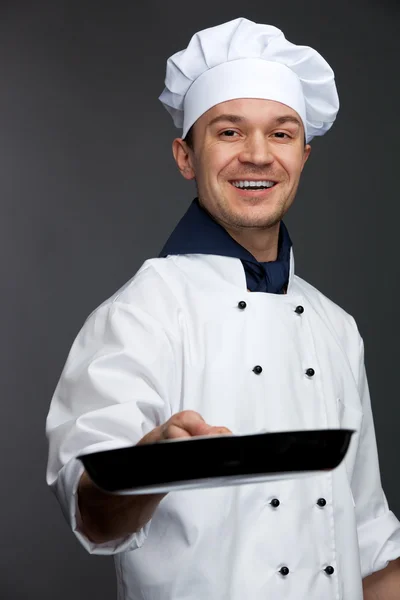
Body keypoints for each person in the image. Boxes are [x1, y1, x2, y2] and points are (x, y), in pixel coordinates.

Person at [45, 17, 400, 600]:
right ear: (186, 156)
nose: (258, 156)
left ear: (304, 156)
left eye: (281, 134)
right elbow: (92, 511)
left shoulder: (338, 327)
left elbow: (370, 544)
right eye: (229, 132)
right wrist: (148, 467)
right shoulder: (142, 313)